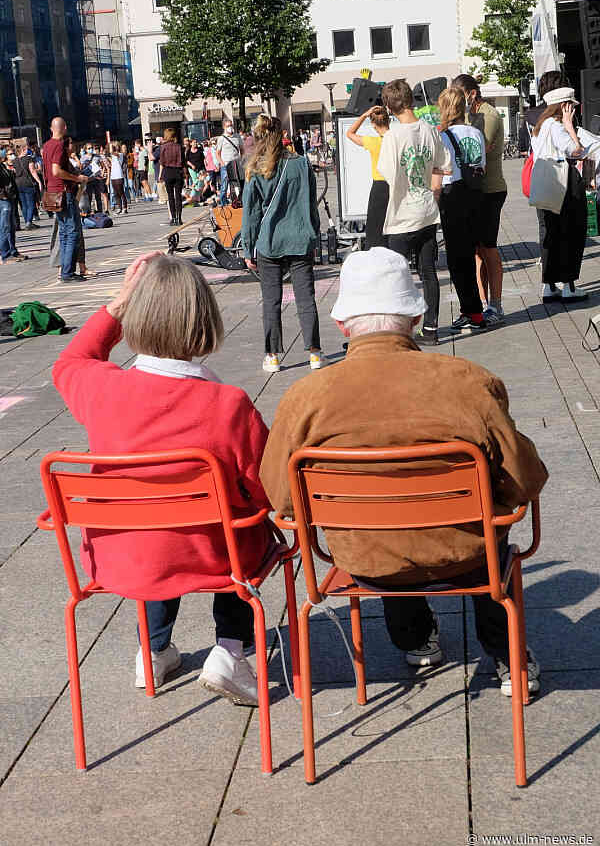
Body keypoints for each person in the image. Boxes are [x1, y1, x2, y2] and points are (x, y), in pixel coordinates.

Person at [260, 248, 548, 696]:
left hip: (366, 562)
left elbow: (279, 496)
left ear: (342, 325)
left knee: (383, 526)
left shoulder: (305, 397)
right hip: (468, 557)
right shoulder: (468, 380)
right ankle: (508, 657)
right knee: (492, 529)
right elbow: (525, 480)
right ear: (415, 319)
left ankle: (415, 639)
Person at [52, 251, 275, 704]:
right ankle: (230, 650)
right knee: (245, 523)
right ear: (204, 321)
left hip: (123, 556)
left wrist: (118, 304)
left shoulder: (101, 388)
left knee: (152, 524)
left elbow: (70, 360)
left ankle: (152, 650)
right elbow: (266, 486)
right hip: (212, 557)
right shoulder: (228, 404)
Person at [241, 114, 322, 373]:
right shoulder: (301, 163)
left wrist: (248, 247)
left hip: (270, 240)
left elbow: (251, 213)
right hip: (300, 237)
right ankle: (315, 352)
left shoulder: (256, 168)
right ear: (282, 134)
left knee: (271, 300)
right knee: (306, 297)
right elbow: (311, 204)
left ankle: (273, 355)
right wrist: (314, 234)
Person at [377, 78, 451, 347]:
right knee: (428, 271)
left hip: (402, 213)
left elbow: (387, 173)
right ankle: (431, 328)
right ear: (410, 100)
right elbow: (444, 165)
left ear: (389, 106)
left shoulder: (393, 136)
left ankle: (399, 329)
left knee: (397, 275)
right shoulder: (430, 130)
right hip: (427, 209)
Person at [452, 75, 507, 326]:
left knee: (489, 248)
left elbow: (478, 149)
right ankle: (483, 304)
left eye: (459, 94)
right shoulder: (469, 116)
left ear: (472, 94)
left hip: (490, 190)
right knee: (477, 251)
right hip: (473, 191)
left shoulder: (489, 115)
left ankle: (496, 305)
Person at [531, 87, 588, 302]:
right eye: (571, 106)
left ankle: (549, 285)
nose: (573, 109)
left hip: (545, 184)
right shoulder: (556, 126)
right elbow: (576, 151)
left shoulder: (540, 127)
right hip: (564, 183)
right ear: (563, 106)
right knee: (571, 232)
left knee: (550, 234)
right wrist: (569, 126)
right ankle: (569, 286)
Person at [438, 87, 488, 333]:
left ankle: (473, 313)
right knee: (469, 253)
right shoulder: (476, 132)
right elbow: (482, 165)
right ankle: (471, 310)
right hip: (475, 192)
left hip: (453, 194)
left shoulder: (443, 136)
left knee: (457, 259)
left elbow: (443, 171)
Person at [518, 71, 565, 262]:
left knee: (544, 224)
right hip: (561, 174)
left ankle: (546, 265)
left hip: (538, 173)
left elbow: (523, 147)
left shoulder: (530, 115)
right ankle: (562, 267)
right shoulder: (562, 114)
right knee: (564, 224)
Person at [42, 116, 87, 283]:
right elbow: (56, 171)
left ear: (51, 129)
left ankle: (65, 271)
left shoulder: (46, 145)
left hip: (52, 193)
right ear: (65, 128)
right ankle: (68, 272)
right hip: (63, 192)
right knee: (72, 231)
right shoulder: (59, 145)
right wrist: (76, 178)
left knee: (63, 232)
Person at [49, 137, 97, 281]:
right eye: (70, 143)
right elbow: (59, 174)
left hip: (66, 197)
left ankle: (70, 269)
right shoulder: (61, 159)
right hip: (65, 198)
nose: (74, 145)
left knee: (70, 233)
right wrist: (78, 178)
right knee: (69, 233)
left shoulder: (67, 159)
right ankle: (65, 271)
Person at [346, 106, 390, 249]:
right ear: (388, 121)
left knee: (375, 227)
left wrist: (364, 115)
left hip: (380, 187)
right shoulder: (396, 139)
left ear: (373, 124)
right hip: (396, 185)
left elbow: (350, 133)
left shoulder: (373, 142)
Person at [0, 148, 27, 263]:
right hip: (3, 200)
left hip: (9, 197)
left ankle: (13, 251)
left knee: (11, 226)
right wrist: (2, 195)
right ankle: (5, 254)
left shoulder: (2, 166)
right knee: (4, 227)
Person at [159, 127, 186, 225]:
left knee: (170, 196)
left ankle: (173, 218)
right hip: (178, 171)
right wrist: (185, 173)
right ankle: (179, 218)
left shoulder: (163, 147)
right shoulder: (179, 147)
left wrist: (160, 175)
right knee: (178, 195)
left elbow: (162, 162)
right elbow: (183, 161)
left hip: (167, 172)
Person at [13, 143, 42, 230]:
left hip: (18, 183)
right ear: (23, 150)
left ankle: (27, 222)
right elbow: (32, 171)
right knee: (31, 204)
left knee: (24, 204)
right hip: (28, 183)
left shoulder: (15, 161)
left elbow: (15, 172)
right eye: (26, 149)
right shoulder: (29, 158)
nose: (28, 150)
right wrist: (39, 181)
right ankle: (29, 222)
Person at [216, 119, 242, 206]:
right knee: (224, 185)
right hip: (226, 164)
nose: (230, 127)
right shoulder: (221, 138)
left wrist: (242, 161)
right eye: (228, 126)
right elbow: (217, 153)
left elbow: (242, 150)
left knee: (237, 184)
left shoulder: (237, 136)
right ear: (224, 127)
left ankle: (237, 201)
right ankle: (223, 203)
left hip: (236, 164)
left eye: (231, 125)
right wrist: (222, 164)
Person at [109, 142, 128, 215]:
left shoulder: (120, 154)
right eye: (114, 146)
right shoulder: (112, 155)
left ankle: (125, 208)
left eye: (116, 146)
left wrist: (111, 146)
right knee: (116, 193)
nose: (115, 147)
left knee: (121, 192)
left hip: (119, 175)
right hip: (113, 176)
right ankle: (119, 208)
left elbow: (112, 152)